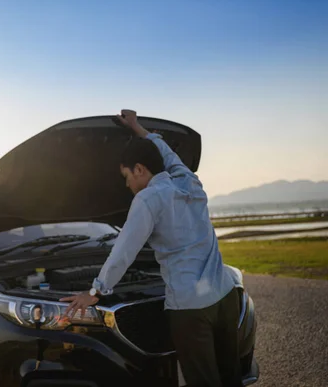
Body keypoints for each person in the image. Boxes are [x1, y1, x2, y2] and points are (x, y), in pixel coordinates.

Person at [61, 109, 243, 387]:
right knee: (231, 378)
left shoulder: (148, 199)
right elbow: (167, 155)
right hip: (225, 296)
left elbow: (124, 250)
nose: (128, 185)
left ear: (140, 169)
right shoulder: (188, 181)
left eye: (127, 177)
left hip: (191, 310)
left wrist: (95, 291)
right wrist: (138, 128)